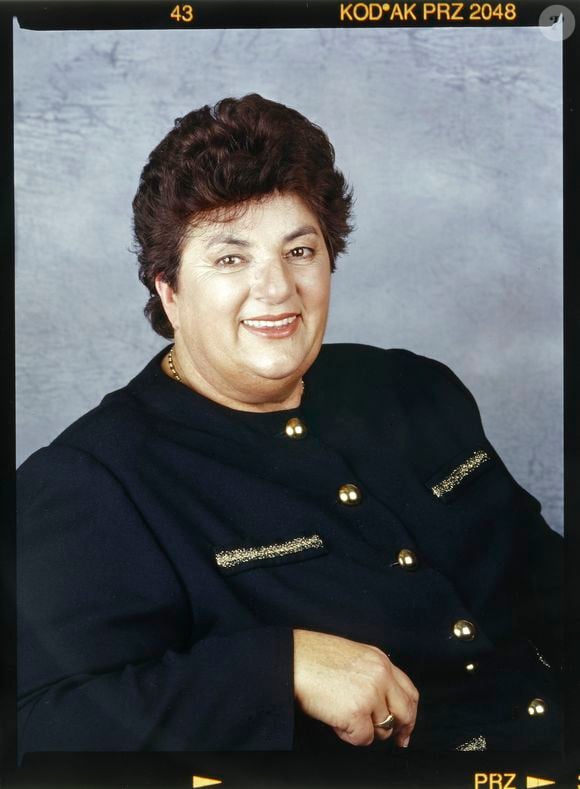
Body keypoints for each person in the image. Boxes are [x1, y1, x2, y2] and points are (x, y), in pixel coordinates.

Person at [17, 94, 562, 757]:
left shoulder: (414, 387)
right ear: (169, 290)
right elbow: (42, 723)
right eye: (230, 258)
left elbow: (544, 576)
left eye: (299, 249)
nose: (276, 288)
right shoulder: (90, 482)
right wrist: (282, 667)